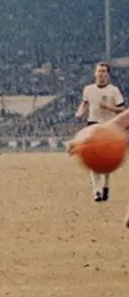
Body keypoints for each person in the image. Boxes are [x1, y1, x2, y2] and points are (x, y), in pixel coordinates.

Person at [75, 62, 125, 202]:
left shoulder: (113, 90)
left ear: (108, 74)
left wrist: (108, 107)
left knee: (107, 159)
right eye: (99, 71)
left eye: (104, 71)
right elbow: (84, 103)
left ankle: (106, 186)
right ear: (95, 73)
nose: (101, 74)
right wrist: (80, 112)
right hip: (93, 125)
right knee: (92, 157)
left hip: (109, 128)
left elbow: (122, 109)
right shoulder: (88, 89)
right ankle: (97, 191)